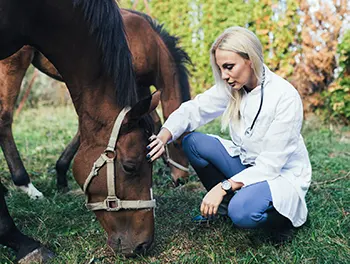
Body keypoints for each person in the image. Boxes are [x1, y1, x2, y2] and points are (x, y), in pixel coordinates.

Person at [146, 26, 312, 230]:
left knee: (241, 213)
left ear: (250, 60)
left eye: (229, 66)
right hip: (246, 164)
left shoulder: (285, 96)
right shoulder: (234, 86)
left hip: (278, 175)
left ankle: (279, 222)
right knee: (194, 143)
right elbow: (194, 109)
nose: (224, 75)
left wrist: (223, 187)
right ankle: (224, 209)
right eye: (220, 68)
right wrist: (164, 136)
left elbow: (270, 166)